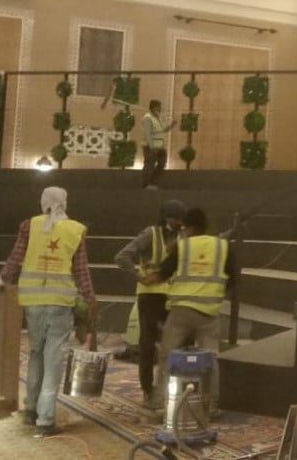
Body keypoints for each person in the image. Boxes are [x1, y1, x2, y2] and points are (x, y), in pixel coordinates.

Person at [0, 186, 96, 438]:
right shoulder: (75, 229)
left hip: (32, 300)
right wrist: (90, 298)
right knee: (54, 359)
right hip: (60, 302)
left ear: (43, 202)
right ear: (64, 202)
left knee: (36, 353)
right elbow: (81, 270)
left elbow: (15, 257)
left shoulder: (29, 225)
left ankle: (30, 409)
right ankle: (45, 418)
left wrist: (2, 279)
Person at [151, 208, 238, 416]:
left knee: (168, 355)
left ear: (187, 227)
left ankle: (163, 404)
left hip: (181, 312)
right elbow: (234, 277)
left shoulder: (183, 246)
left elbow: (163, 273)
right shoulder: (222, 246)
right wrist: (216, 293)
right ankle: (211, 406)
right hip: (209, 312)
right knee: (211, 357)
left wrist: (147, 277)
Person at [114, 198, 187, 410]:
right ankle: (148, 390)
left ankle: (175, 389)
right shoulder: (150, 234)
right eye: (177, 219)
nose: (180, 223)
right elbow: (122, 256)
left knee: (178, 343)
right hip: (150, 295)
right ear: (167, 218)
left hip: (173, 296)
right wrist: (138, 273)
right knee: (147, 344)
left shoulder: (184, 236)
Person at [140, 99, 172, 189]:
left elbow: (163, 130)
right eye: (159, 107)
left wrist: (171, 125)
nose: (160, 109)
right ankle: (146, 184)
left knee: (162, 164)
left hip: (160, 146)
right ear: (154, 107)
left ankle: (153, 181)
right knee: (149, 165)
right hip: (150, 146)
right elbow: (147, 133)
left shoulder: (158, 118)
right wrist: (151, 146)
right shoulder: (147, 118)